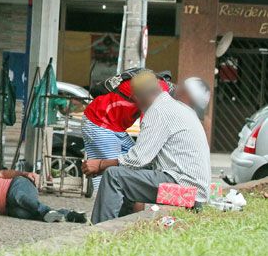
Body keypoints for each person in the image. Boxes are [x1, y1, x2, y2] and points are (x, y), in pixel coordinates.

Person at [82, 71, 211, 224]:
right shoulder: (175, 108)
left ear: (137, 98)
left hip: (185, 194)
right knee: (126, 176)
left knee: (113, 176)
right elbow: (143, 162)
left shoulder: (158, 111)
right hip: (194, 195)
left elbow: (138, 159)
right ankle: (121, 229)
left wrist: (101, 164)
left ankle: (99, 232)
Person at [82, 69, 171, 191]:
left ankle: (130, 208)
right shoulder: (159, 92)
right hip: (98, 122)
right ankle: (105, 207)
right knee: (111, 173)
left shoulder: (158, 87)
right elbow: (148, 125)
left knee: (137, 167)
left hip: (115, 127)